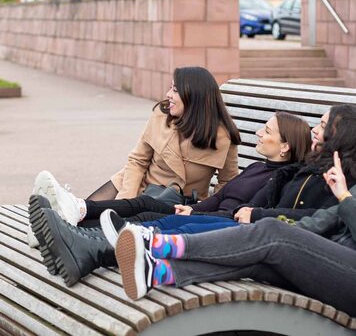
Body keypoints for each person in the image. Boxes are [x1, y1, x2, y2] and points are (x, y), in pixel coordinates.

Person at [31, 105, 356, 288]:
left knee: (262, 235)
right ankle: (101, 252)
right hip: (297, 250)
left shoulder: (337, 183)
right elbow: (316, 221)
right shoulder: (304, 173)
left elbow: (319, 222)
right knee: (254, 250)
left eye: (323, 126)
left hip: (328, 263)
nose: (315, 130)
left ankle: (146, 244)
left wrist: (342, 197)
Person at [114, 149, 356, 319]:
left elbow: (345, 212)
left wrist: (345, 197)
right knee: (260, 259)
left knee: (272, 231)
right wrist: (290, 239)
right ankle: (158, 272)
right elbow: (324, 220)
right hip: (334, 262)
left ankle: (160, 245)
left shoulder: (349, 193)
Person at [31, 111, 311, 231]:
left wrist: (199, 212)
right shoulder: (259, 167)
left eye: (268, 131)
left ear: (285, 146)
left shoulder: (278, 178)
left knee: (147, 214)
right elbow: (223, 193)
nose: (259, 133)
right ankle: (75, 211)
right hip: (195, 208)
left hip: (212, 221)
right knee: (145, 203)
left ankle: (69, 224)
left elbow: (242, 210)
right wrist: (197, 209)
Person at [34, 66, 241, 213]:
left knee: (92, 218)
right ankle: (57, 214)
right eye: (170, 88)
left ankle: (60, 213)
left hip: (172, 202)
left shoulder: (223, 138)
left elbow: (227, 184)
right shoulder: (161, 116)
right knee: (87, 210)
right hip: (135, 184)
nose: (168, 94)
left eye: (175, 90)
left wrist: (203, 213)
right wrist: (125, 201)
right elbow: (137, 161)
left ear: (193, 97)